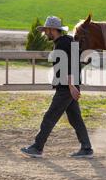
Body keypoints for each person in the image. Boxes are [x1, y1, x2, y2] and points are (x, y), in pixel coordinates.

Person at [20, 16, 93, 159]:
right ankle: (86, 148)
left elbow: (70, 64)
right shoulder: (68, 41)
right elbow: (82, 59)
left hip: (66, 87)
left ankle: (37, 147)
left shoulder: (62, 44)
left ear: (53, 30)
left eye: (46, 30)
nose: (45, 33)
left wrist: (71, 86)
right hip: (69, 85)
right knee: (75, 118)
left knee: (50, 116)